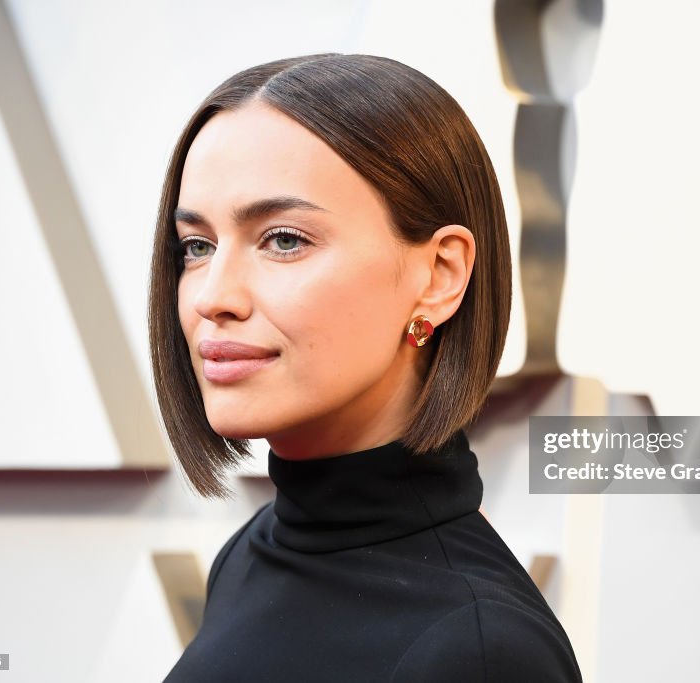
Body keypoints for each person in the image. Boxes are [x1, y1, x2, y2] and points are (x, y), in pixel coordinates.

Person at [148, 52, 583, 682]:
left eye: (284, 239)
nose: (213, 296)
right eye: (197, 246)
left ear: (439, 276)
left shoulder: (481, 650)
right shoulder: (249, 551)